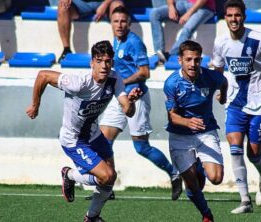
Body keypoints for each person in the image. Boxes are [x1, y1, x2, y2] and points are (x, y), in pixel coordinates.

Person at [26, 40, 142, 222]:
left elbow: (128, 110)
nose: (104, 66)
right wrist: (35, 105)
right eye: (99, 60)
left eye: (108, 61)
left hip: (94, 135)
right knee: (107, 176)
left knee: (109, 177)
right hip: (73, 139)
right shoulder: (79, 83)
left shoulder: (114, 78)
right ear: (91, 63)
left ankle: (92, 217)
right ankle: (69, 174)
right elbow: (43, 76)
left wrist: (131, 102)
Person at [99, 6, 183, 200]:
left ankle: (174, 174)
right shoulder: (115, 42)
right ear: (111, 23)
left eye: (123, 21)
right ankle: (106, 188)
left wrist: (121, 82)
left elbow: (145, 72)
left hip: (136, 97)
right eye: (115, 21)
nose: (119, 25)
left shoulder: (134, 43)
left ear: (129, 23)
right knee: (103, 142)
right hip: (119, 97)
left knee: (141, 148)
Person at [212, 0, 261, 214]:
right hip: (235, 104)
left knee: (253, 154)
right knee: (234, 148)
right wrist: (221, 92)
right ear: (225, 17)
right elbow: (218, 70)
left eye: (237, 15)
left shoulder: (260, 40)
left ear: (244, 16)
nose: (233, 19)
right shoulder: (220, 42)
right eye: (229, 16)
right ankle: (245, 201)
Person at [163, 40, 227, 222]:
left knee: (216, 178)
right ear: (180, 61)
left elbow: (224, 81)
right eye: (188, 59)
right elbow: (172, 116)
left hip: (206, 131)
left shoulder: (210, 77)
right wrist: (187, 122)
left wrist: (223, 96)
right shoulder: (172, 83)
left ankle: (199, 166)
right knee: (192, 183)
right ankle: (206, 214)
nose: (193, 64)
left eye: (197, 60)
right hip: (180, 135)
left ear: (201, 60)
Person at [149, 0, 216, 63]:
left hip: (204, 7)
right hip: (185, 2)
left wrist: (188, 14)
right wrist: (171, 6)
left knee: (187, 29)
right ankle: (159, 52)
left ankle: (172, 55)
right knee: (154, 14)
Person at [57, 0, 124, 62]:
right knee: (62, 6)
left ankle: (118, 51)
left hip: (106, 2)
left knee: (118, 6)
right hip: (80, 3)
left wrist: (105, 4)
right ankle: (66, 50)